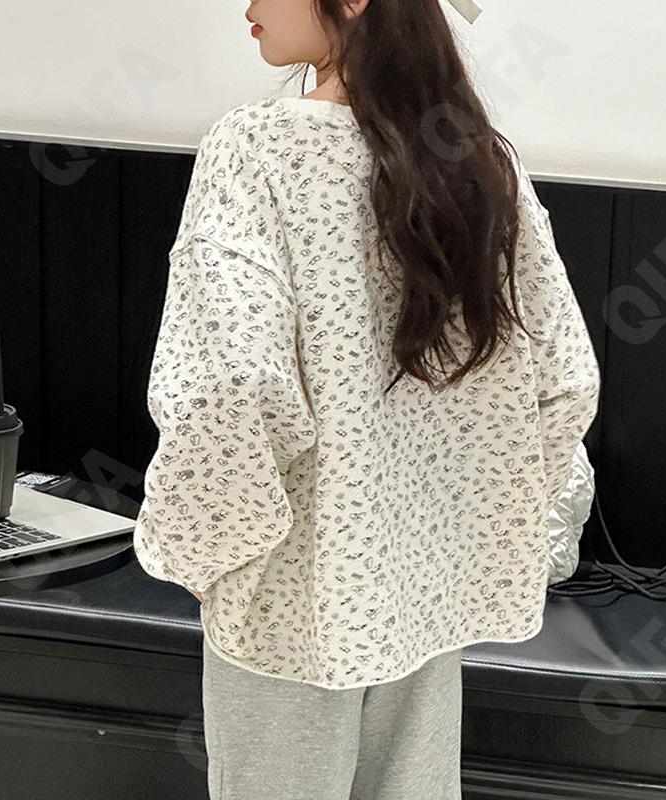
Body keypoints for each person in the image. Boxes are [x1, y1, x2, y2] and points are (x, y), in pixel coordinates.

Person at [132, 0, 601, 797]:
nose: (248, 7)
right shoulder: (482, 160)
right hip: (428, 595)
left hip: (290, 600)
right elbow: (564, 383)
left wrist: (201, 548)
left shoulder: (255, 148)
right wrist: (488, 533)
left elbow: (232, 382)